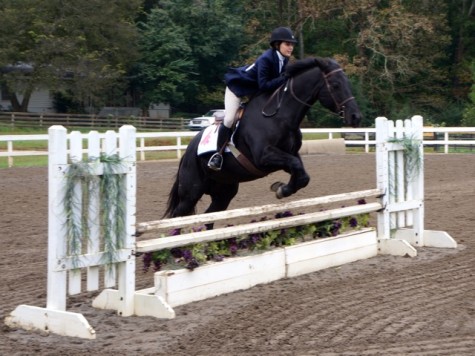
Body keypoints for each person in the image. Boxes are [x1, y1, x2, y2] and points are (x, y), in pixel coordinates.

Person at [208, 26, 297, 171]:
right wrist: (284, 78)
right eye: (287, 44)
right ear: (277, 44)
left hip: (254, 92)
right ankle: (218, 154)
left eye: (292, 44)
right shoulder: (267, 58)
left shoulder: (284, 60)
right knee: (230, 119)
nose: (291, 47)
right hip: (237, 88)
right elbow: (264, 84)